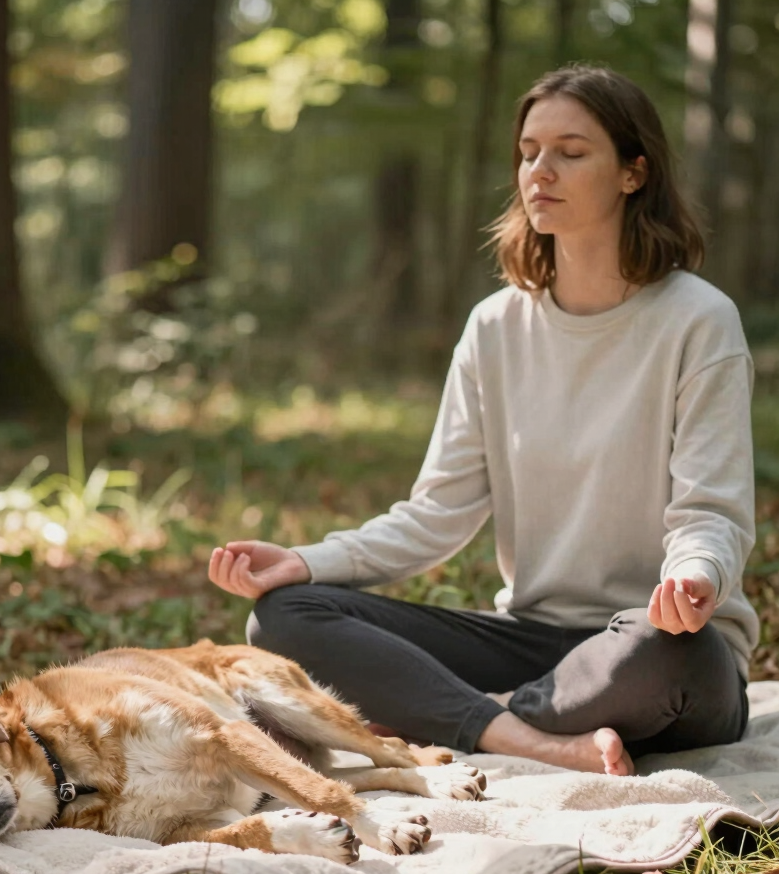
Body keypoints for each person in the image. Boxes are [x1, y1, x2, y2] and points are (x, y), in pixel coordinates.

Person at [207, 64, 758, 777]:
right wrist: (308, 561)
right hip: (533, 641)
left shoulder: (699, 320)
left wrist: (695, 577)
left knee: (669, 655)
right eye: (529, 151)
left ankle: (456, 713)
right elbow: (436, 513)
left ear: (633, 173)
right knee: (284, 616)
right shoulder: (495, 328)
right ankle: (524, 734)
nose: (540, 170)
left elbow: (710, 511)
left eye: (571, 150)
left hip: (653, 645)